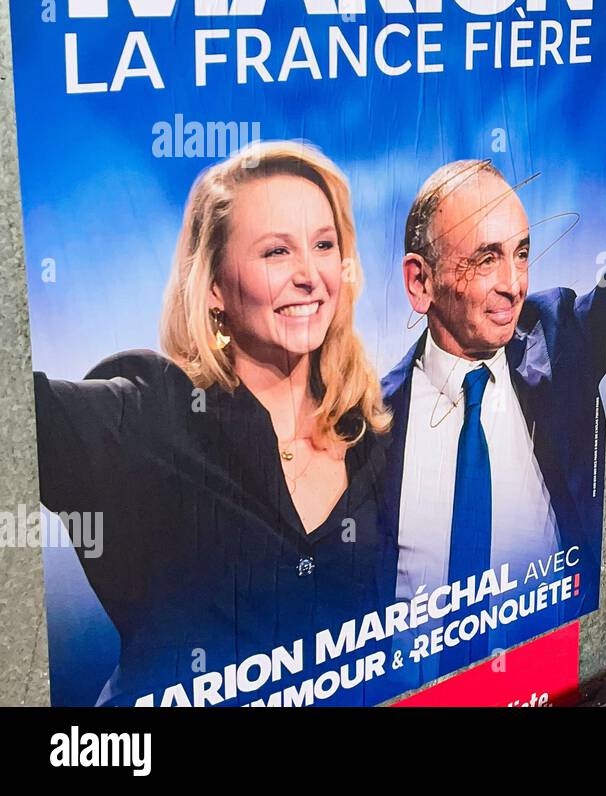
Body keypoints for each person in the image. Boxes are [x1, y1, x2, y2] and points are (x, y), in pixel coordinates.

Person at [32, 142, 393, 706]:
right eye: (276, 251)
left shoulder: (369, 433)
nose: (309, 274)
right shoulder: (152, 415)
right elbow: (27, 419)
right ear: (215, 288)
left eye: (324, 245)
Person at [381, 159, 606, 682]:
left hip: (563, 683)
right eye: (486, 259)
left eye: (522, 253)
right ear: (420, 282)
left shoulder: (559, 338)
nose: (514, 284)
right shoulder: (370, 429)